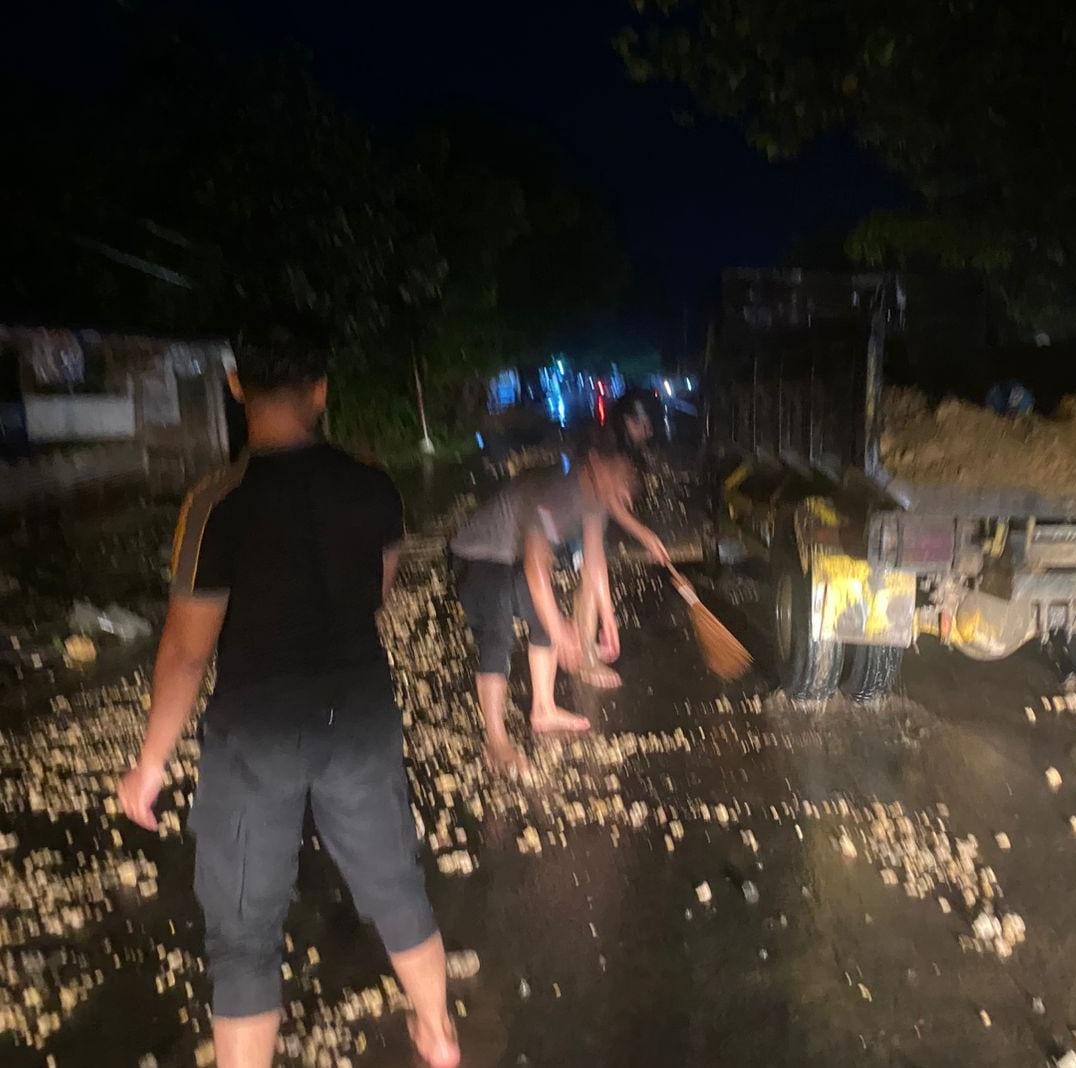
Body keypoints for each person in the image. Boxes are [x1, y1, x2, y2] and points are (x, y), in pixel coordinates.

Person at [115, 331, 459, 1068]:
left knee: (243, 938)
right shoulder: (373, 485)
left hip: (256, 734)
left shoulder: (217, 503)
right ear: (321, 389)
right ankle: (438, 1036)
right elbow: (378, 591)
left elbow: (185, 652)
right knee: (397, 886)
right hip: (357, 713)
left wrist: (150, 763)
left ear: (237, 387)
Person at [448, 434, 665, 768]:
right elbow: (536, 567)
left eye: (628, 485)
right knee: (499, 634)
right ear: (595, 462)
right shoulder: (557, 492)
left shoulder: (595, 500)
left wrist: (608, 617)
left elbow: (593, 559)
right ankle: (497, 742)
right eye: (620, 476)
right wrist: (561, 632)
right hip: (477, 556)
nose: (624, 491)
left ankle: (544, 710)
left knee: (547, 619)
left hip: (512, 558)